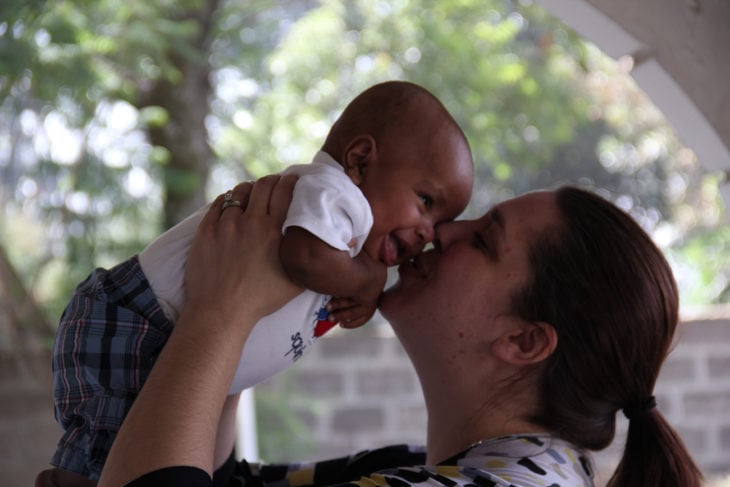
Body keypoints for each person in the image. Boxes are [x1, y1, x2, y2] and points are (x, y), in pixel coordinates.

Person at [97, 176, 702, 487]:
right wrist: (259, 314)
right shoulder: (433, 469)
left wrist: (218, 310)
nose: (445, 231)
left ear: (524, 342)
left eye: (485, 240)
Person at [47, 81, 474, 483]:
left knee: (111, 450)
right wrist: (366, 280)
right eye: (425, 202)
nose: (429, 233)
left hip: (161, 333)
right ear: (360, 161)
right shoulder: (335, 195)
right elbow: (305, 256)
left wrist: (362, 285)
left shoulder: (350, 237)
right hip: (137, 318)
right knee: (101, 453)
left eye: (440, 221)